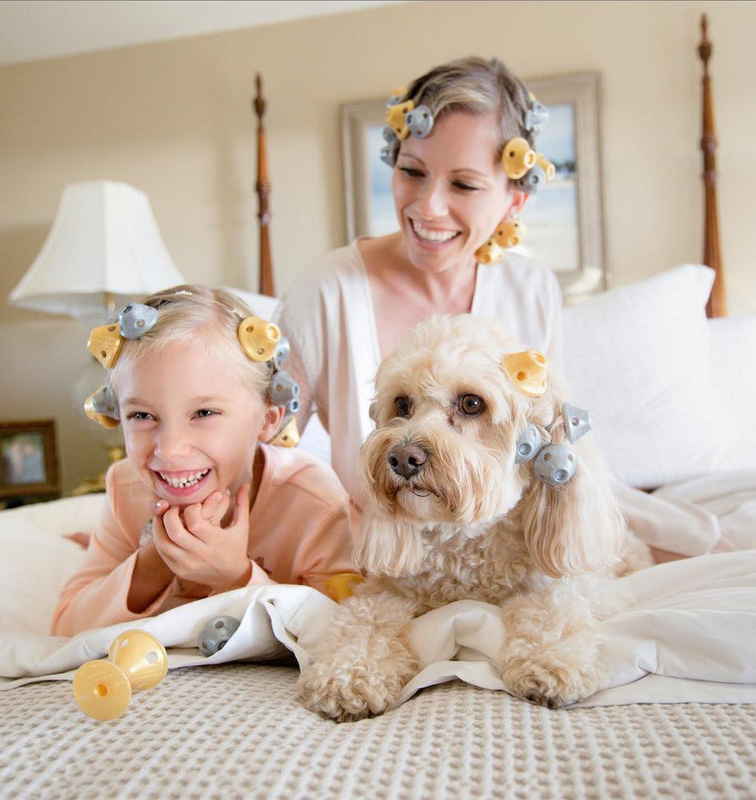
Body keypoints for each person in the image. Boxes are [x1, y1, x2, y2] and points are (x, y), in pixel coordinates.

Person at [277, 56, 732, 560]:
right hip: (382, 549)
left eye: (464, 184)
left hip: (506, 547)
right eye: (412, 171)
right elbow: (268, 450)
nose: (427, 207)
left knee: (708, 544)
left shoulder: (530, 290)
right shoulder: (325, 291)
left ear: (515, 200)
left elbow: (552, 450)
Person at [52, 285, 356, 636]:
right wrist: (156, 561)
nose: (169, 450)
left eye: (204, 413)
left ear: (267, 420)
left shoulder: (314, 504)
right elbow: (65, 628)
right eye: (142, 415)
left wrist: (236, 577)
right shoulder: (125, 488)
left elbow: (341, 632)